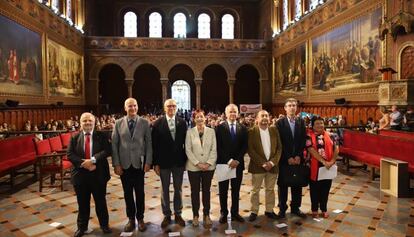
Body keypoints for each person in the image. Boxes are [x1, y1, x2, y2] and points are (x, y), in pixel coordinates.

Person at [112, 98, 153, 232]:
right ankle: (130, 219)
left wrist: (148, 162)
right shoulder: (118, 123)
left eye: (134, 106)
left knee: (140, 193)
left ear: (137, 107)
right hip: (124, 164)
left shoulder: (144, 122)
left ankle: (140, 218)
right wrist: (116, 164)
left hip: (139, 164)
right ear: (125, 108)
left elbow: (149, 144)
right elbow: (114, 145)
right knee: (127, 193)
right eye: (130, 106)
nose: (132, 108)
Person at [68, 112, 112, 237]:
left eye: (90, 120)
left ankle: (104, 225)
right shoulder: (74, 137)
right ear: (80, 123)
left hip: (98, 174)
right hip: (80, 176)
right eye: (84, 121)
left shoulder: (101, 136)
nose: (87, 123)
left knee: (100, 202)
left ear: (94, 122)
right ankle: (82, 228)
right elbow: (70, 154)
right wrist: (84, 163)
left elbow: (107, 150)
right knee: (82, 203)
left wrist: (93, 160)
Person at [152, 99, 187, 228]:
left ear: (176, 107)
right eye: (169, 106)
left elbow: (186, 143)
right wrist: (155, 163)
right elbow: (154, 145)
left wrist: (186, 161)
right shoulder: (157, 123)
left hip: (178, 162)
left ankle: (178, 213)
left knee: (178, 189)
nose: (171, 108)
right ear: (164, 108)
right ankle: (166, 214)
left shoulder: (182, 122)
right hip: (163, 162)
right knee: (164, 189)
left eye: (173, 105)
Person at [247, 110, 282, 222]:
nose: (265, 118)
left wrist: (272, 162)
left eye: (266, 116)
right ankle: (254, 211)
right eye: (262, 116)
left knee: (270, 189)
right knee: (255, 190)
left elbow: (279, 148)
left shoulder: (274, 130)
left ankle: (269, 210)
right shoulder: (252, 131)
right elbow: (250, 150)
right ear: (257, 118)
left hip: (272, 166)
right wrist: (263, 163)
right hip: (258, 166)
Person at [216, 104, 248, 224]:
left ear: (238, 113)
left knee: (236, 190)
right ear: (226, 114)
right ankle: (224, 213)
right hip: (224, 164)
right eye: (230, 112)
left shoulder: (243, 128)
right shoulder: (219, 128)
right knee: (223, 190)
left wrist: (237, 160)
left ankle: (235, 212)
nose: (233, 114)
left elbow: (245, 146)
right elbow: (218, 147)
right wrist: (229, 160)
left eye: (235, 112)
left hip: (238, 164)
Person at [185, 109, 217, 228]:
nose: (199, 119)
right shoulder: (190, 132)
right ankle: (195, 216)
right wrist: (198, 163)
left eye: (201, 116)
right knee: (194, 192)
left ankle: (207, 215)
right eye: (197, 117)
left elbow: (214, 149)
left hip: (209, 167)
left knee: (206, 191)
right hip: (193, 167)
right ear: (194, 119)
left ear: (205, 118)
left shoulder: (211, 131)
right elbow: (188, 150)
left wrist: (208, 163)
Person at [276, 98, 307, 218]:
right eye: (289, 105)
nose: (292, 107)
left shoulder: (301, 122)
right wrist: (288, 156)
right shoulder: (280, 123)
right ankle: (282, 208)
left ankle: (295, 208)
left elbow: (303, 140)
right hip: (284, 159)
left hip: (298, 158)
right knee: (283, 184)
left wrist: (298, 155)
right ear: (285, 108)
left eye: (294, 105)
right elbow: (279, 143)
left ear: (297, 107)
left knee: (297, 183)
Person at [306, 117, 339, 218]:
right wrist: (323, 161)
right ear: (313, 125)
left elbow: (336, 148)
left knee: (326, 189)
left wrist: (332, 161)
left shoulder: (331, 135)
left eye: (321, 123)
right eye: (317, 124)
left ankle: (324, 209)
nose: (320, 125)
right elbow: (311, 149)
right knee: (315, 189)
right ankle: (315, 209)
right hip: (315, 166)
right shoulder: (308, 136)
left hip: (328, 166)